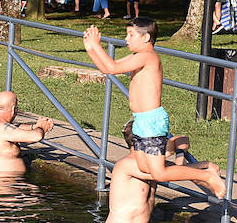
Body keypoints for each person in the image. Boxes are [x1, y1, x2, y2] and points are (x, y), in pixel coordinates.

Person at [82, 18, 225, 195]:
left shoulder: (148, 57)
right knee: (144, 167)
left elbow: (112, 67)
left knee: (159, 173)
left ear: (145, 37)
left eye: (131, 35)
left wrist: (97, 45)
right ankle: (204, 167)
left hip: (151, 121)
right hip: (141, 121)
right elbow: (107, 68)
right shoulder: (138, 57)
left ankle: (208, 177)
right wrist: (90, 49)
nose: (126, 39)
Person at [107, 126, 217, 223]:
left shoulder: (153, 165)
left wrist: (180, 156)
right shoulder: (127, 165)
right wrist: (205, 167)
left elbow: (182, 139)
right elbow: (171, 173)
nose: (159, 143)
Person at [0, 91, 54, 175]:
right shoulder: (2, 129)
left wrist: (34, 126)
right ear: (13, 109)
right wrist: (42, 127)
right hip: (3, 182)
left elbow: (13, 129)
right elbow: (36, 136)